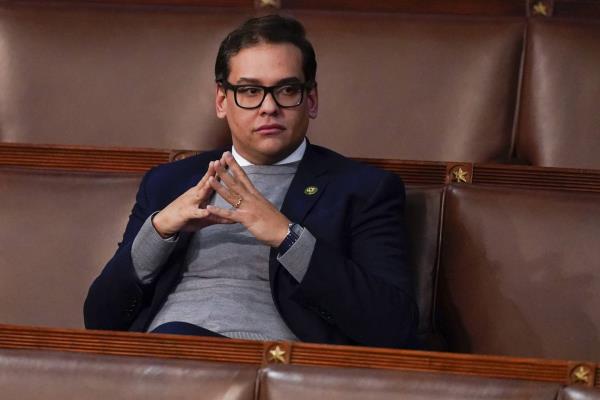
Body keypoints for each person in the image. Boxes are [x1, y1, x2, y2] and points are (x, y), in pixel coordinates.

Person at [84, 14, 418, 349]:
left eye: (287, 90)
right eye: (250, 90)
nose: (269, 107)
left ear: (311, 100)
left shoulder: (364, 189)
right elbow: (99, 319)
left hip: (270, 367)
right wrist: (158, 232)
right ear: (221, 101)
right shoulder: (168, 182)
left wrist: (287, 237)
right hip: (159, 357)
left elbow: (394, 326)